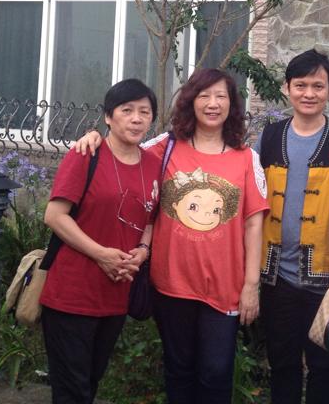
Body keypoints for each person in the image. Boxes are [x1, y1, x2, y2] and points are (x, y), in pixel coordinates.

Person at [74, 68, 267, 404]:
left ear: (232, 104)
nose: (212, 104)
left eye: (221, 96)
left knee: (216, 371)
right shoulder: (164, 147)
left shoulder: (247, 158)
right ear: (191, 101)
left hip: (225, 286)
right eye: (204, 96)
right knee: (178, 369)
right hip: (171, 284)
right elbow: (122, 150)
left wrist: (251, 285)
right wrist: (94, 136)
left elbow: (254, 225)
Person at [256, 49, 329, 404]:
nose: (309, 93)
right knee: (282, 363)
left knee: (325, 366)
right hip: (277, 276)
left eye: (318, 86)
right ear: (287, 88)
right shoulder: (269, 137)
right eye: (301, 85)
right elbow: (250, 190)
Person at [41, 78, 161, 404]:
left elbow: (151, 218)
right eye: (127, 110)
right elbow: (54, 216)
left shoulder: (153, 164)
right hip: (72, 293)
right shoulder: (86, 154)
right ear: (108, 116)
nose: (136, 119)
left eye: (144, 112)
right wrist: (101, 254)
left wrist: (143, 250)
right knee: (72, 390)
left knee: (92, 381)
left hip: (116, 294)